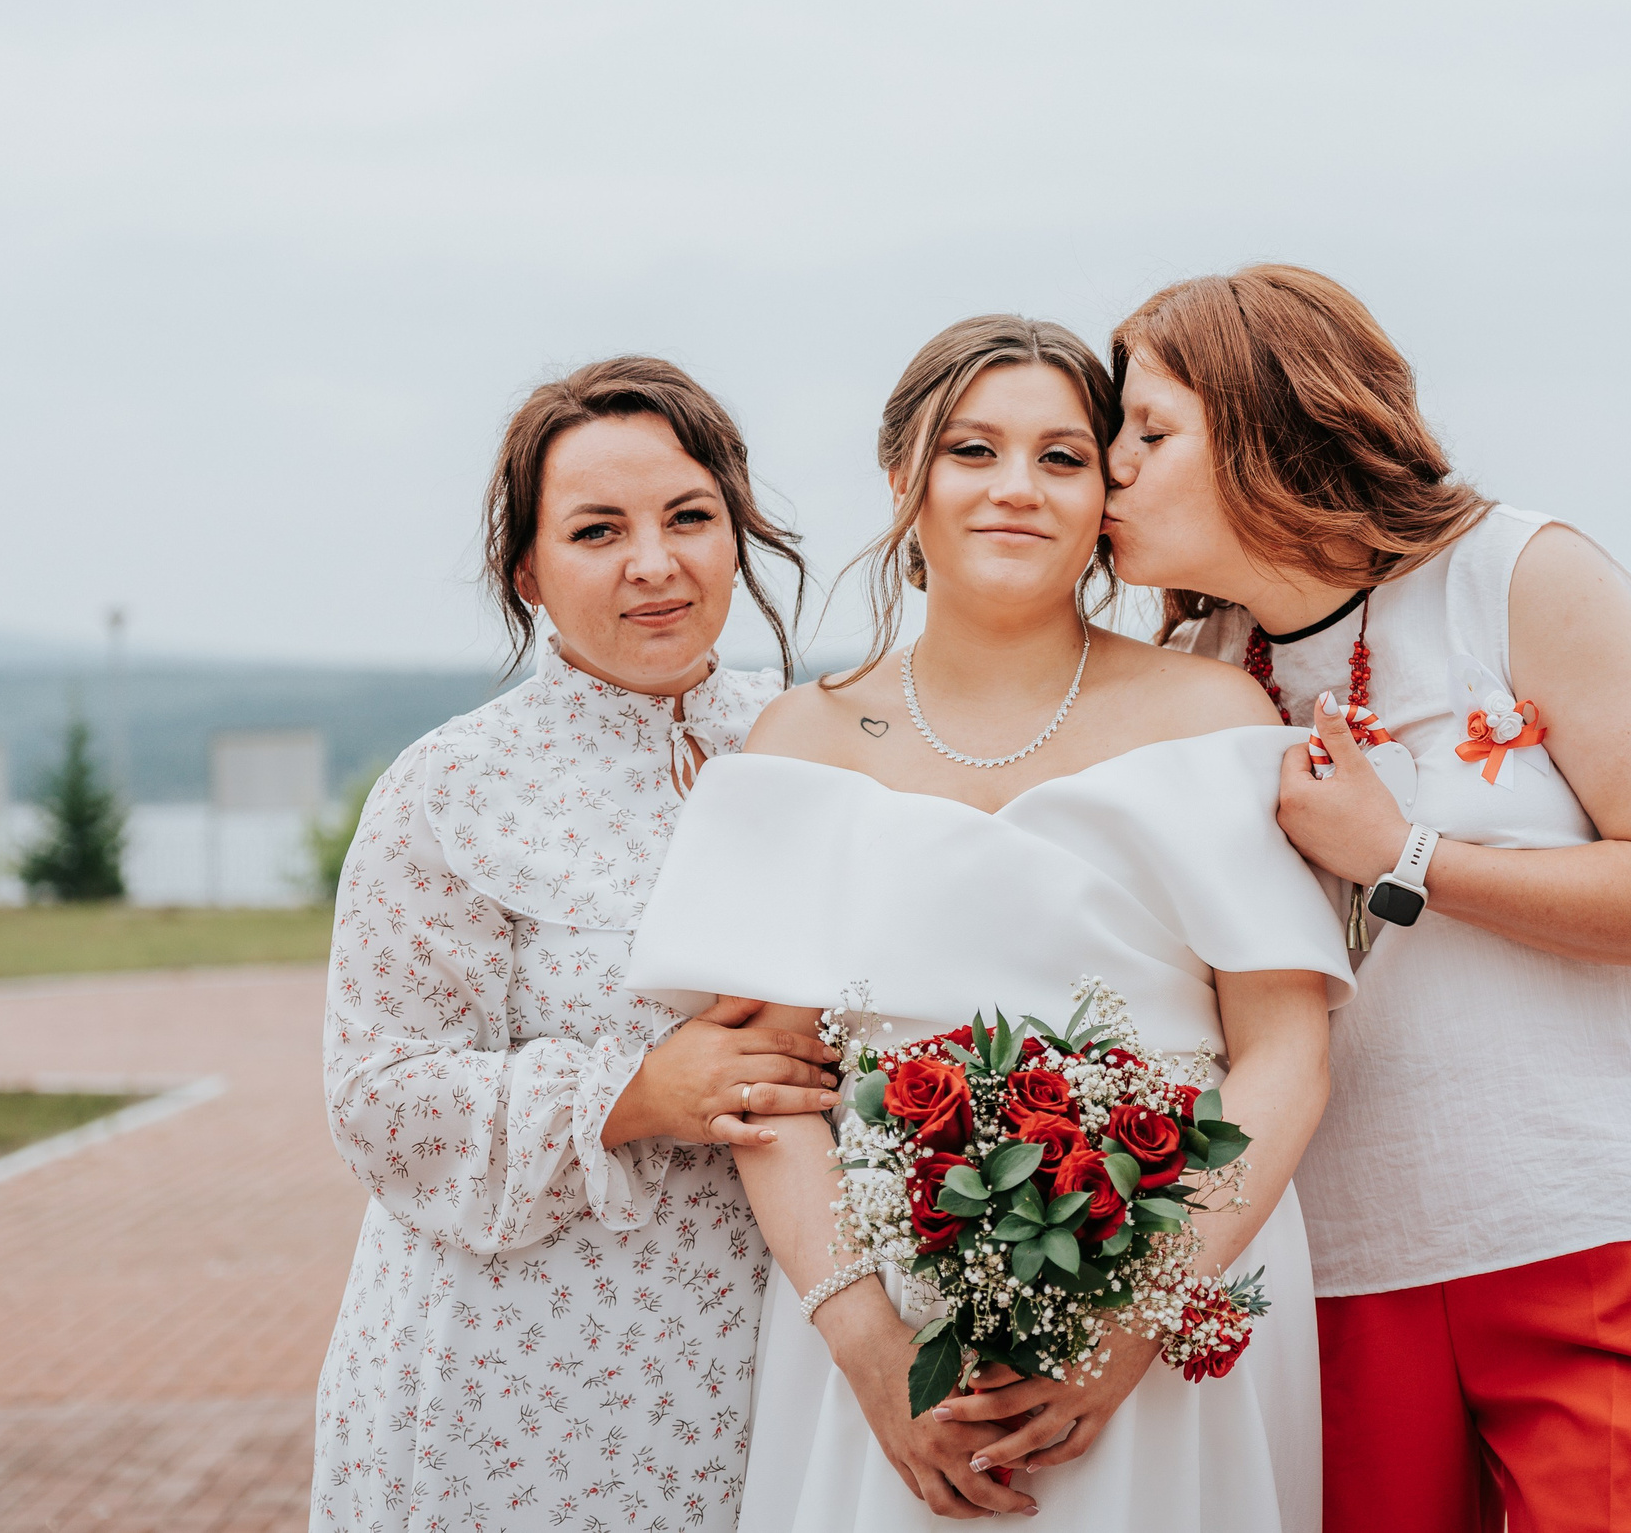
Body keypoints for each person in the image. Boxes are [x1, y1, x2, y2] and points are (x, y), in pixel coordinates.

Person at [628, 315, 1352, 1529]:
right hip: (885, 1311)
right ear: (902, 478)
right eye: (973, 450)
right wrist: (870, 1351)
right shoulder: (798, 741)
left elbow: (1287, 1055)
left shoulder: (1214, 714)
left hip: (1177, 1294)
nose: (1017, 487)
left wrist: (1136, 1321)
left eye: (1062, 458)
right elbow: (769, 1090)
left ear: (1105, 495)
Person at [1101, 266, 1631, 1533]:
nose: (1111, 468)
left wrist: (1403, 855)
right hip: (1337, 1275)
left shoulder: (1519, 574)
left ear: (1268, 423)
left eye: (1150, 432)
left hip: (1611, 1233)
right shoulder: (1190, 675)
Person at [311, 358, 846, 1533]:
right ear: (528, 571)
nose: (653, 564)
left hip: (783, 1369)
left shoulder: (817, 744)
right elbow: (377, 1101)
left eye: (688, 517)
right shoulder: (452, 788)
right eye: (598, 531)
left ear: (737, 531)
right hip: (517, 1387)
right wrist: (638, 1092)